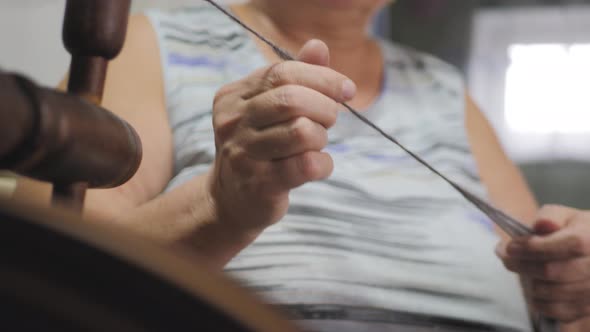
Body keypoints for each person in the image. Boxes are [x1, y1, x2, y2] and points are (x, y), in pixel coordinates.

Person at [11, 0, 589, 331]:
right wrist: (219, 206)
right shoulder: (151, 43)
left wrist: (572, 284)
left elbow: (552, 293)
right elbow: (45, 283)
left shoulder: (443, 89)